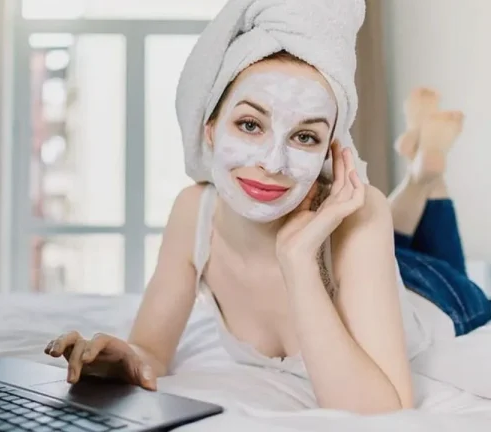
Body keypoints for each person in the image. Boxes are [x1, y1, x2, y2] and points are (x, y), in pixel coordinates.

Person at [43, 2, 491, 415]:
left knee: (421, 256)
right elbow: (151, 351)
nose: (272, 163)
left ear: (330, 153)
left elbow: (383, 414)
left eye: (305, 137)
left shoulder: (360, 215)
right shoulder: (194, 212)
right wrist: (125, 359)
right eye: (250, 124)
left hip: (437, 295)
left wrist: (298, 262)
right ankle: (422, 169)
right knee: (389, 242)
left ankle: (427, 172)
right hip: (366, 267)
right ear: (212, 129)